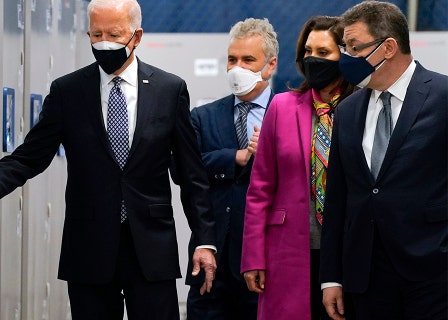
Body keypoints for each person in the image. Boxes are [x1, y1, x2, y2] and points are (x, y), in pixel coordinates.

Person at [0, 0, 217, 319]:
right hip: (89, 246)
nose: (104, 42)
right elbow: (32, 155)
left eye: (114, 33)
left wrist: (205, 240)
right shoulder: (68, 91)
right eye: (96, 34)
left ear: (136, 37)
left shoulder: (169, 90)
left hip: (151, 246)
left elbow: (192, 175)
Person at [319, 1, 448, 320]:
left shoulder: (443, 96)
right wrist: (331, 277)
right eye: (344, 47)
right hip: (365, 277)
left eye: (353, 47)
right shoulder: (347, 110)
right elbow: (337, 198)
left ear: (388, 47)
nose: (346, 57)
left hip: (433, 272)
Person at [240, 16, 356, 320]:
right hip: (288, 252)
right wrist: (252, 256)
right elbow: (260, 189)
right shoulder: (281, 106)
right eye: (308, 52)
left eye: (323, 52)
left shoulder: (362, 107)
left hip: (350, 251)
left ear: (345, 55)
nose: (312, 59)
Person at [183, 18, 277, 320]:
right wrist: (235, 157)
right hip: (212, 257)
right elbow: (184, 169)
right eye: (232, 59)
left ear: (270, 65)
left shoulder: (287, 113)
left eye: (249, 60)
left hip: (267, 261)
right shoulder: (203, 116)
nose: (238, 67)